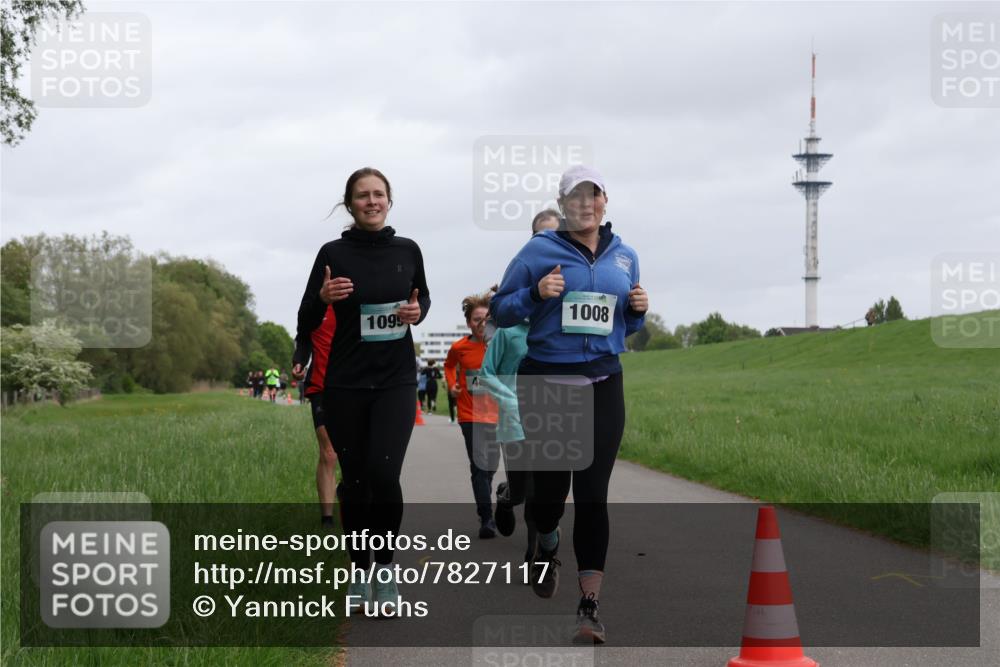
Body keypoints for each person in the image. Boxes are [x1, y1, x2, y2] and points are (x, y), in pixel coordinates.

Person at [490, 167, 648, 644]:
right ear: (563, 205)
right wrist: (534, 294)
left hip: (604, 381)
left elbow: (626, 326)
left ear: (605, 202)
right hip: (549, 380)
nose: (586, 204)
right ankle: (546, 540)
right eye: (575, 197)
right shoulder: (540, 251)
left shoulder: (626, 257)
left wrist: (637, 311)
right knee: (549, 495)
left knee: (593, 493)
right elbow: (499, 309)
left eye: (593, 195)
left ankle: (589, 605)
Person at [297, 167, 430, 615]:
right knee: (354, 482)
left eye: (378, 194)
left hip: (395, 380)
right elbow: (307, 316)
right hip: (346, 383)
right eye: (362, 196)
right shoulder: (333, 252)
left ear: (389, 200)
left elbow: (423, 299)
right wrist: (324, 297)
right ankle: (358, 571)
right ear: (350, 204)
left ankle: (385, 572)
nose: (371, 201)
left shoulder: (407, 250)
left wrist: (416, 311)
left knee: (384, 475)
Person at [480, 209, 561, 569]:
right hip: (514, 417)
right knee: (521, 490)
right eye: (542, 236)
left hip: (551, 412)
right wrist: (511, 398)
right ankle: (504, 495)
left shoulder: (560, 317)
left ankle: (534, 555)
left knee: (541, 492)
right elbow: (486, 371)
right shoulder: (510, 322)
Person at [445, 292, 500, 538]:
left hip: (497, 415)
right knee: (479, 466)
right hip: (470, 414)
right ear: (469, 322)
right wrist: (451, 384)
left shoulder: (499, 344)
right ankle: (487, 518)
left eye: (486, 318)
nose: (482, 323)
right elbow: (448, 366)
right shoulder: (460, 347)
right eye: (477, 319)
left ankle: (486, 499)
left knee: (491, 466)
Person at [292, 303, 338, 527]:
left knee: (356, 456)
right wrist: (299, 361)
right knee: (328, 453)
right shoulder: (315, 305)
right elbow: (303, 338)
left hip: (356, 386)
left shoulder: (360, 300)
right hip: (321, 386)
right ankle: (327, 520)